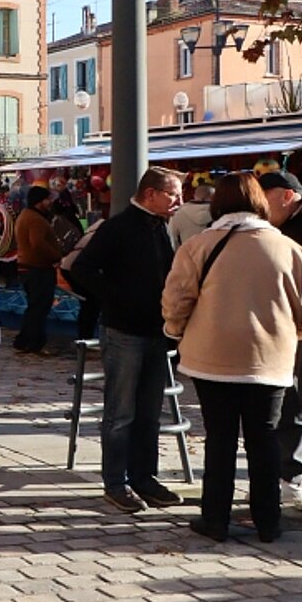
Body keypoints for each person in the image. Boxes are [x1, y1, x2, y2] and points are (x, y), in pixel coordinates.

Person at [162, 172, 302, 543]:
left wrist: (178, 331)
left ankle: (215, 519)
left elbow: (176, 301)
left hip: (211, 358)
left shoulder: (199, 246)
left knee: (220, 438)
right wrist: (283, 336)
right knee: (264, 438)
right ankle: (269, 521)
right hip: (270, 361)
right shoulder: (291, 250)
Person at [72, 167, 184, 514]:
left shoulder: (160, 226)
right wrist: (117, 299)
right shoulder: (118, 227)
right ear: (150, 194)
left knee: (150, 412)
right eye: (172, 195)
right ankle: (116, 482)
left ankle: (144, 477)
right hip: (124, 332)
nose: (179, 202)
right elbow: (81, 269)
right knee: (121, 412)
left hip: (156, 331)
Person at [260, 171, 302, 528]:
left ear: (285, 196)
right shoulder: (272, 229)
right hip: (280, 331)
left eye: (263, 197)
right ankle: (290, 478)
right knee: (286, 407)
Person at [12, 185, 62, 354]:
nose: (50, 203)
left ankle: (25, 340)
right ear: (40, 201)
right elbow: (38, 244)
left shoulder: (25, 215)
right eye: (48, 199)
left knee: (34, 307)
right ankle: (34, 343)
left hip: (28, 268)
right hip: (38, 269)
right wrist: (56, 256)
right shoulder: (35, 219)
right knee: (39, 307)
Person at [169, 183, 214, 247]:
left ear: (194, 195)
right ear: (213, 196)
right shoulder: (220, 213)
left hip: (186, 254)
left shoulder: (178, 214)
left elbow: (172, 239)